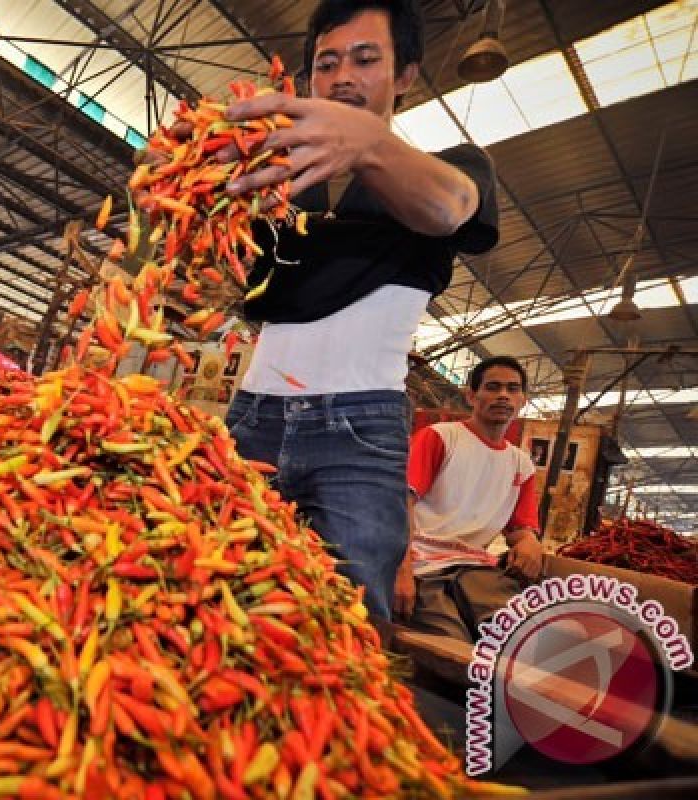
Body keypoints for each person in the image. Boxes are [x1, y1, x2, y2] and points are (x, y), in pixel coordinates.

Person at [205, 0, 500, 619]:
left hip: (359, 433)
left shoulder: (448, 168)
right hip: (253, 417)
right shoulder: (283, 179)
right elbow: (233, 278)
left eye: (366, 60)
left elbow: (450, 208)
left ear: (405, 75)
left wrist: (368, 144)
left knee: (350, 623)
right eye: (326, 63)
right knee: (215, 599)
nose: (342, 77)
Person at [394, 356, 543, 642]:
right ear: (471, 396)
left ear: (523, 400)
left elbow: (520, 530)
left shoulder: (521, 465)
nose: (503, 395)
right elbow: (401, 503)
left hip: (476, 570)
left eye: (513, 389)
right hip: (423, 566)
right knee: (450, 643)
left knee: (517, 637)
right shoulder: (440, 438)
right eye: (493, 387)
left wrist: (530, 543)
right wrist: (401, 569)